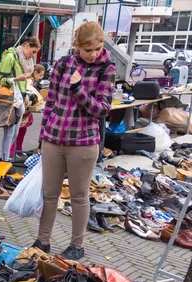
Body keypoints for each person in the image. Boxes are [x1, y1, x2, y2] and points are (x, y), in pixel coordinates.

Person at [32, 22, 116, 260]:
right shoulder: (63, 64)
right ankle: (43, 240)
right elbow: (51, 103)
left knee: (79, 196)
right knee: (49, 194)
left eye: (98, 48)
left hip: (83, 142)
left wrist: (78, 88)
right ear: (77, 46)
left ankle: (77, 246)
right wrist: (42, 136)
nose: (93, 54)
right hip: (54, 139)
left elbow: (102, 110)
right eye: (88, 49)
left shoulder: (106, 69)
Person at [0, 37, 41, 165]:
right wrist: (15, 79)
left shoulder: (24, 61)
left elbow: (23, 83)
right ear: (26, 46)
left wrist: (25, 96)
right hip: (10, 100)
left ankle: (2, 159)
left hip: (19, 99)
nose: (33, 56)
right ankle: (3, 161)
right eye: (33, 51)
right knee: (9, 133)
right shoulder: (11, 57)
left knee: (14, 133)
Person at [10, 64, 46, 157]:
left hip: (25, 109)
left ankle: (18, 149)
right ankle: (11, 151)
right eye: (40, 75)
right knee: (16, 130)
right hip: (22, 108)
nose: (41, 77)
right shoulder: (28, 81)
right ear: (35, 73)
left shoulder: (31, 80)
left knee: (22, 130)